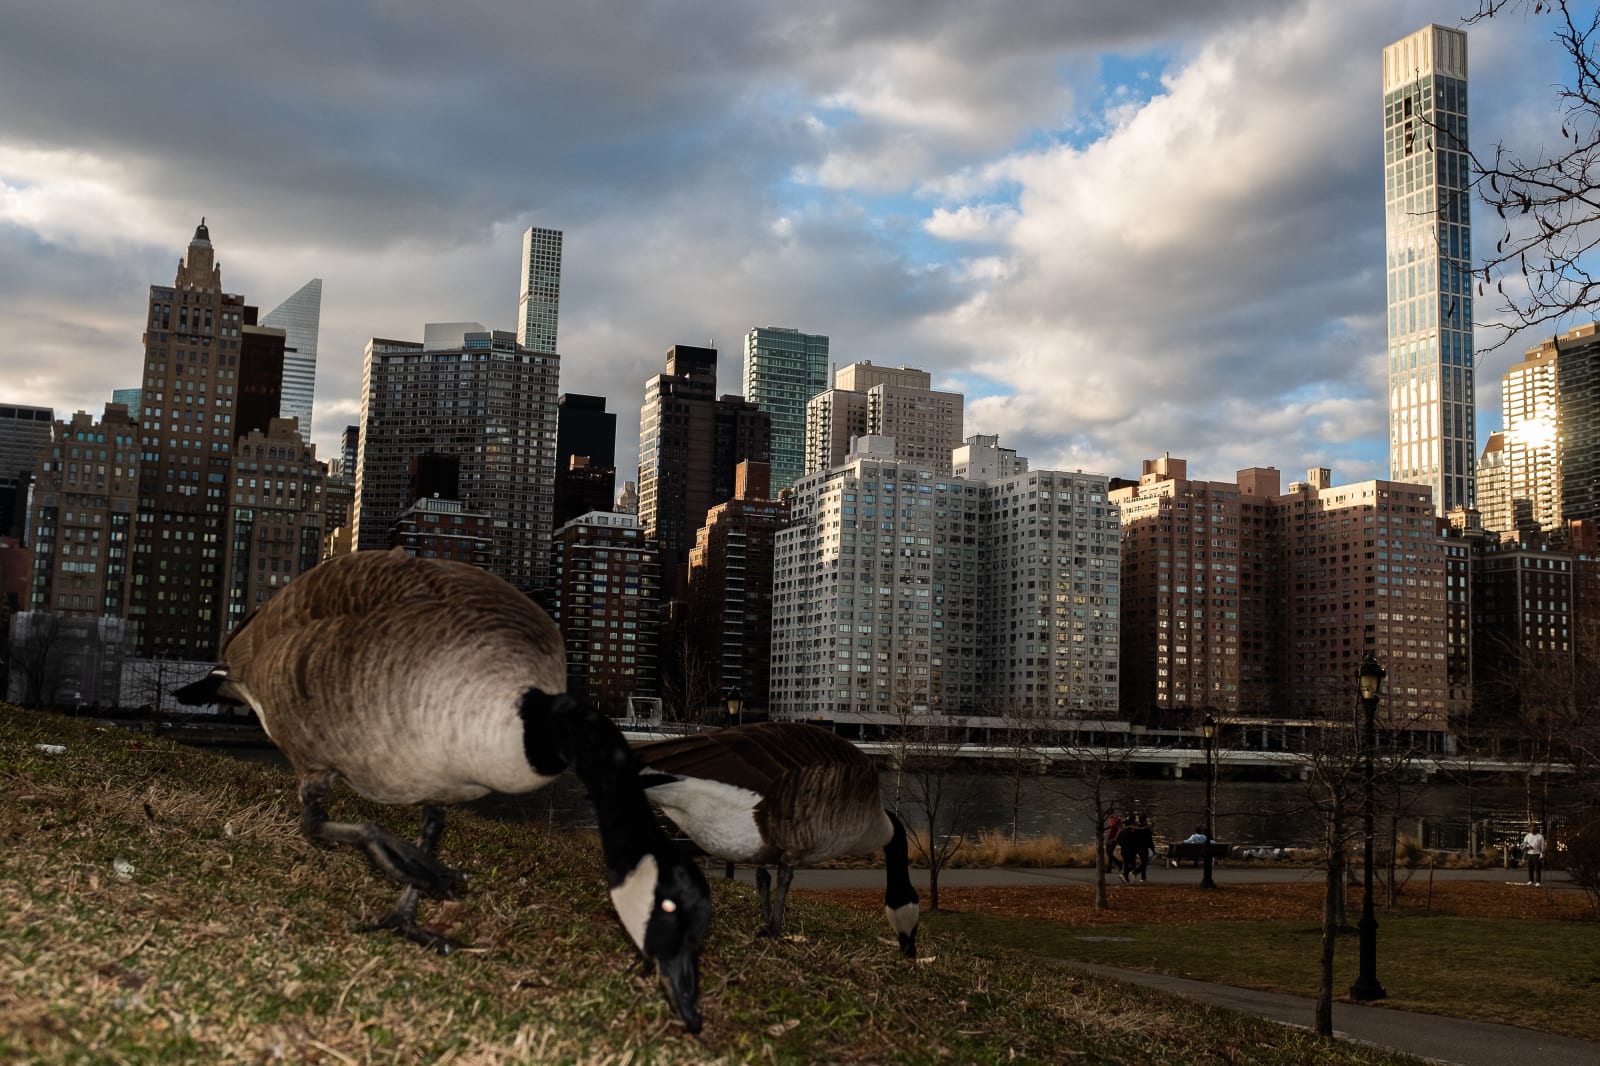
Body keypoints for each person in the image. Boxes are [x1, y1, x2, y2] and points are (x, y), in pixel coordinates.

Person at [1119, 814, 1154, 883]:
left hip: (1135, 848)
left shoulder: (1134, 829)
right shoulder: (1143, 829)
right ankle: (1132, 873)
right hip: (1142, 848)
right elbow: (1149, 840)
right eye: (1146, 820)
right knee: (1143, 863)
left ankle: (1141, 878)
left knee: (1139, 863)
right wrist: (1152, 849)